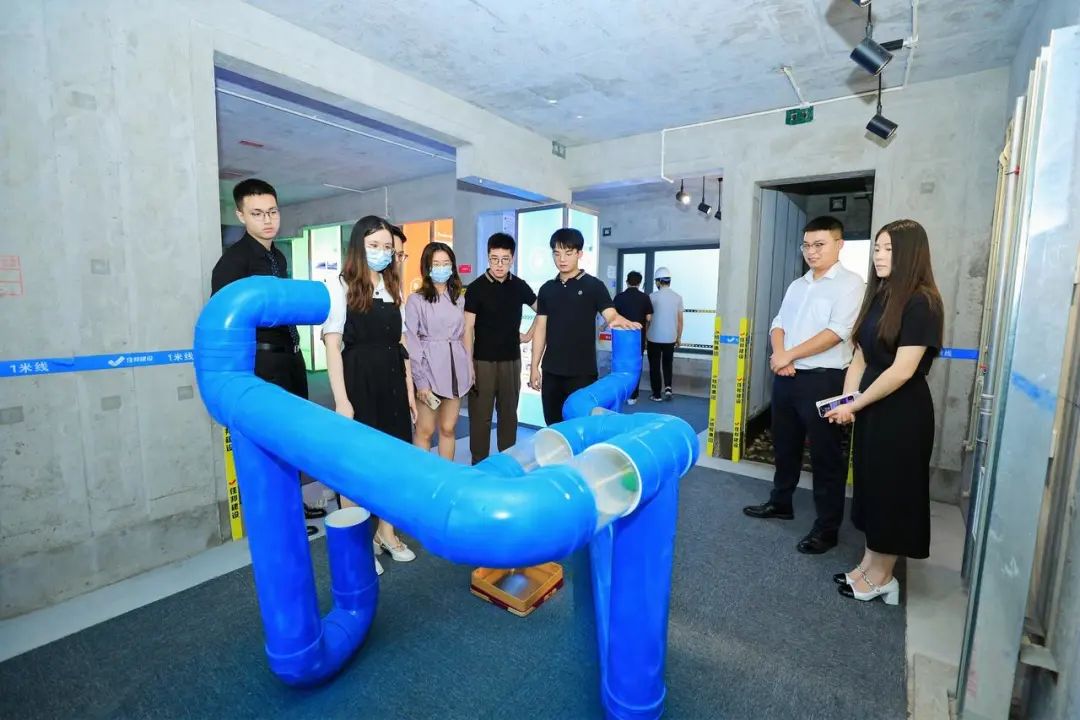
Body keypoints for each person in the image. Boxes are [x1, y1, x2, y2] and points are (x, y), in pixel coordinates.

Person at [824, 219, 944, 604]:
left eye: (889, 249)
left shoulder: (923, 301)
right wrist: (846, 402)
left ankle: (883, 577)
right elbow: (860, 357)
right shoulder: (881, 295)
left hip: (902, 412)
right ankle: (867, 565)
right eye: (877, 248)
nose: (879, 255)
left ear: (910, 253)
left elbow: (902, 370)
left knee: (893, 491)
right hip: (873, 406)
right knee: (872, 487)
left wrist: (857, 403)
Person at [743, 216, 864, 555]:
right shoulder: (798, 284)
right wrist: (780, 355)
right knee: (784, 445)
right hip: (787, 377)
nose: (812, 252)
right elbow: (778, 322)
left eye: (819, 245)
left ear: (839, 244)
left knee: (825, 456)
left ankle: (827, 528)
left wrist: (788, 355)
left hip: (824, 380)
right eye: (807, 245)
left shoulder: (852, 284)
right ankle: (781, 502)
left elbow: (836, 332)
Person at [211, 178, 324, 536]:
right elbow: (224, 324)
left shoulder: (278, 256)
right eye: (257, 213)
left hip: (291, 358)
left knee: (291, 436)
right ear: (241, 215)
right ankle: (281, 521)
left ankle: (293, 504)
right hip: (263, 364)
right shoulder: (233, 263)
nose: (267, 220)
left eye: (272, 212)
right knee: (270, 442)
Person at [321, 215, 418, 575]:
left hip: (392, 379)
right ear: (358, 247)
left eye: (387, 247)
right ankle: (360, 544)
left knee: (393, 461)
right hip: (358, 379)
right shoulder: (339, 286)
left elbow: (401, 345)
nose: (381, 252)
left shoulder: (393, 287)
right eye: (373, 245)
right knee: (357, 465)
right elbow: (333, 348)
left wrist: (409, 392)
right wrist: (342, 401)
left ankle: (386, 534)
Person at [529, 228, 640, 425]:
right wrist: (534, 367)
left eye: (568, 253)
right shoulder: (547, 289)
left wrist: (617, 319)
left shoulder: (593, 286)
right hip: (552, 371)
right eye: (557, 253)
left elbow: (610, 314)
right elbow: (540, 329)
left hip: (582, 373)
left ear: (579, 253)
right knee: (553, 426)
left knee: (581, 427)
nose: (562, 259)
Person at [464, 233, 537, 463]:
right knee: (480, 417)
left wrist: (529, 335)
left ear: (512, 259)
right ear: (488, 257)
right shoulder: (476, 288)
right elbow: (467, 328)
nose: (499, 265)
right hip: (482, 361)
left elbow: (543, 310)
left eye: (505, 259)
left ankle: (507, 462)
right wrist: (468, 364)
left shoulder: (519, 286)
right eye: (494, 259)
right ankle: (479, 463)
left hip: (511, 361)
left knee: (508, 415)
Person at [405, 242, 473, 461]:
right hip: (428, 369)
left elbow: (465, 334)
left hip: (455, 369)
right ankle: (422, 477)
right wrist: (421, 381)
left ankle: (447, 476)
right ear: (427, 267)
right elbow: (412, 341)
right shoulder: (416, 300)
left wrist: (469, 368)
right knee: (425, 431)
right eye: (436, 263)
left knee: (448, 428)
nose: (442, 268)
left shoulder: (459, 298)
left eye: (446, 263)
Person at [612, 270, 653, 404]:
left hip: (620, 337)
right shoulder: (644, 298)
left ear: (627, 282)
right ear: (640, 283)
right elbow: (649, 318)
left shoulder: (619, 297)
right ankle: (633, 396)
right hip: (637, 337)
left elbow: (612, 316)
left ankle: (620, 394)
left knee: (620, 365)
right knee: (635, 365)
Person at [645, 267, 683, 402]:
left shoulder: (652, 297)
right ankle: (668, 388)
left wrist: (645, 336)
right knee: (668, 363)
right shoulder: (677, 297)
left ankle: (656, 394)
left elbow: (648, 319)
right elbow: (680, 321)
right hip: (670, 337)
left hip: (654, 337)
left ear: (659, 282)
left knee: (654, 366)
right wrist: (679, 337)